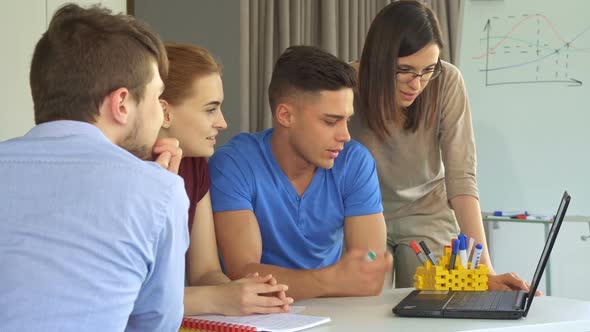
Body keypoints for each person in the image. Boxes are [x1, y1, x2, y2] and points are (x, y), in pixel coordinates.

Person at [0, 4, 188, 332]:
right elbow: (156, 324)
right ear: (121, 104)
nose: (161, 115)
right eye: (157, 97)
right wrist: (157, 195)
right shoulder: (159, 191)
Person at [350, 0, 536, 292]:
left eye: (428, 69)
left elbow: (461, 178)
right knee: (368, 305)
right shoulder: (347, 86)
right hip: (364, 213)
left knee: (439, 302)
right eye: (405, 70)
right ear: (378, 61)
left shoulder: (447, 80)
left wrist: (484, 269)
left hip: (428, 212)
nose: (418, 83)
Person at [209, 45, 393, 301]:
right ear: (285, 115)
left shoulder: (355, 162)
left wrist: (364, 268)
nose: (345, 136)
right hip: (260, 316)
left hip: (334, 314)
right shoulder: (233, 164)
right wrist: (330, 280)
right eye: (331, 121)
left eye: (347, 120)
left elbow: (368, 269)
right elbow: (244, 273)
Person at [158, 43, 293, 315]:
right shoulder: (122, 174)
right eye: (210, 109)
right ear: (165, 112)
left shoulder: (194, 164)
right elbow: (129, 297)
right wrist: (217, 298)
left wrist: (245, 293)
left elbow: (205, 272)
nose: (222, 122)